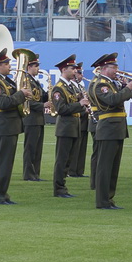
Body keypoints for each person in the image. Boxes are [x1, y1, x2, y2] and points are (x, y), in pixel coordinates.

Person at [87, 52, 132, 210]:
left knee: (113, 168)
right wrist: (127, 88)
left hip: (116, 127)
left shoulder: (111, 83)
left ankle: (109, 198)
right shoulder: (101, 85)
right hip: (108, 127)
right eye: (114, 67)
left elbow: (120, 98)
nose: (117, 70)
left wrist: (124, 87)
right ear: (103, 69)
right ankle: (102, 201)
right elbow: (112, 100)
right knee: (105, 167)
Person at [0, 48, 30, 204]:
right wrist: (21, 94)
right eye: (7, 63)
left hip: (10, 125)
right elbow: (3, 103)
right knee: (3, 162)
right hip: (4, 125)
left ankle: (1, 194)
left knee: (6, 163)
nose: (10, 66)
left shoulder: (4, 81)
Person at [50, 55, 88, 198]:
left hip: (73, 126)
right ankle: (58, 188)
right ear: (64, 69)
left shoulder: (71, 86)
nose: (75, 71)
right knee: (62, 160)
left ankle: (63, 187)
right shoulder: (59, 88)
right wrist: (80, 104)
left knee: (68, 160)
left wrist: (83, 107)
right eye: (72, 68)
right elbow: (62, 109)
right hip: (65, 128)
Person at [21, 55, 48, 181]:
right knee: (30, 148)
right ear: (29, 67)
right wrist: (43, 105)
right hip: (31, 119)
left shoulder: (34, 81)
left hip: (38, 119)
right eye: (36, 66)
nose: (38, 68)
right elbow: (27, 102)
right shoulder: (26, 80)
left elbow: (42, 96)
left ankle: (35, 173)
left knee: (37, 148)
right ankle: (29, 173)